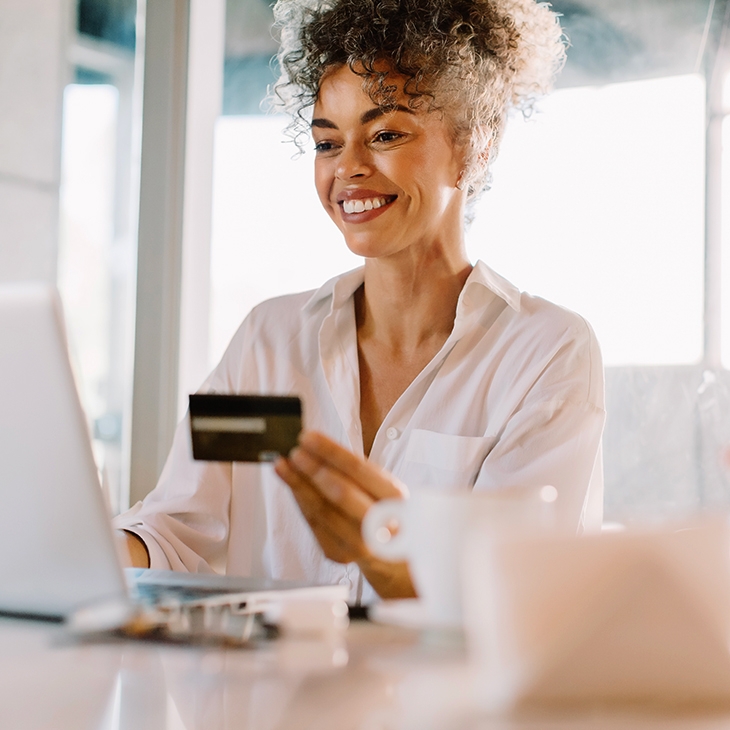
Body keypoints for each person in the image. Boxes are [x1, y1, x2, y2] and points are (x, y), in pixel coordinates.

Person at [116, 0, 605, 604]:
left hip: (436, 700)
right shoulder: (268, 339)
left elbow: (521, 601)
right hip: (267, 698)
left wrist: (382, 547)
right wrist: (82, 550)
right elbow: (177, 528)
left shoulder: (544, 353)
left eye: (386, 135)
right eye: (327, 143)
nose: (347, 168)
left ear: (475, 145)